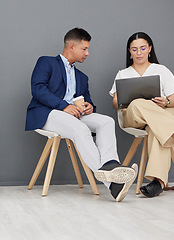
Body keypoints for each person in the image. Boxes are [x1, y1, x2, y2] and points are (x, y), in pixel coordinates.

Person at [25, 28, 138, 202]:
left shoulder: (82, 77)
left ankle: (110, 165)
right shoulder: (46, 62)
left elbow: (88, 101)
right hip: (48, 113)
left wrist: (89, 107)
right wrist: (64, 106)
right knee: (81, 128)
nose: (87, 53)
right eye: (84, 49)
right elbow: (38, 89)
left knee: (106, 122)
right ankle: (113, 183)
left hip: (75, 115)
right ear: (71, 46)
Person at [110, 32, 174, 198]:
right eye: (134, 49)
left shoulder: (161, 70)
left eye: (142, 48)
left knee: (157, 129)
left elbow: (173, 100)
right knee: (137, 103)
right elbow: (114, 104)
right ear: (129, 51)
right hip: (133, 116)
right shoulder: (123, 73)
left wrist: (166, 103)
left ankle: (158, 183)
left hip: (160, 117)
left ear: (149, 49)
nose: (139, 52)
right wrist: (124, 98)